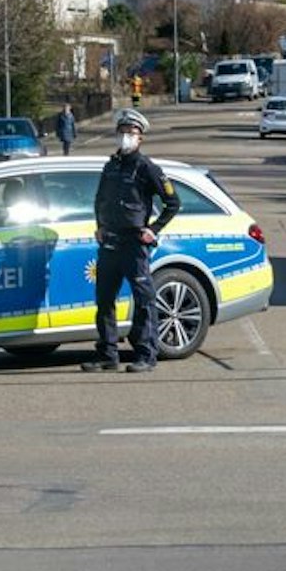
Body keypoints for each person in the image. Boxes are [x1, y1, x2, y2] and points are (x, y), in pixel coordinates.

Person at [81, 108, 181, 373]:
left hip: (134, 244)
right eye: (123, 132)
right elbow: (99, 200)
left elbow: (173, 203)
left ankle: (146, 355)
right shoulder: (111, 166)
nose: (126, 137)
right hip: (110, 243)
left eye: (132, 133)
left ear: (140, 138)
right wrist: (99, 226)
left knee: (144, 300)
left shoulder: (147, 168)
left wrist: (154, 229)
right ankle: (107, 354)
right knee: (104, 300)